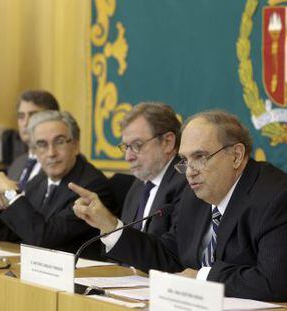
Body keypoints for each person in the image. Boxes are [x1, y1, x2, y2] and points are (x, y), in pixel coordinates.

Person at [69, 110, 287, 301]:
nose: (190, 171)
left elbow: (274, 282)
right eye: (185, 160)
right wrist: (111, 227)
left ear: (237, 156)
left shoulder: (275, 197)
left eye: (200, 157)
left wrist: (202, 277)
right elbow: (170, 256)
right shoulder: (195, 195)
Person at [0, 110, 114, 255]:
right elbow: (7, 236)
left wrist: (11, 193)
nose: (51, 153)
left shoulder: (92, 187)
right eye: (42, 144)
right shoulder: (40, 180)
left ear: (76, 145)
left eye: (59, 142)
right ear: (34, 151)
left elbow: (44, 238)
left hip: (75, 273)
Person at [113, 102, 186, 237]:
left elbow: (169, 252)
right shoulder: (138, 185)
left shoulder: (185, 184)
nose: (128, 157)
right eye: (126, 147)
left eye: (137, 145)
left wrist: (110, 225)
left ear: (167, 142)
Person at [0, 90, 60, 211]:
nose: (26, 123)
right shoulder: (18, 163)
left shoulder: (60, 164)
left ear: (53, 118)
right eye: (21, 116)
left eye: (33, 115)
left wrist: (10, 191)